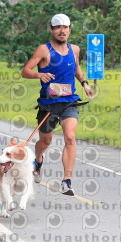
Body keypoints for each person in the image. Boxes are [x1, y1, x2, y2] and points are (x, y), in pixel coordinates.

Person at [21, 13, 95, 196]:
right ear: (52, 30)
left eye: (66, 27)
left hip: (69, 101)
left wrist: (84, 83)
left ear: (70, 29)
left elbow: (76, 67)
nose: (62, 31)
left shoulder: (75, 49)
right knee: (45, 141)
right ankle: (38, 161)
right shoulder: (43, 50)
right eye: (58, 27)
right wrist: (39, 75)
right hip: (48, 103)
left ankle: (66, 181)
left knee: (70, 136)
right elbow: (25, 71)